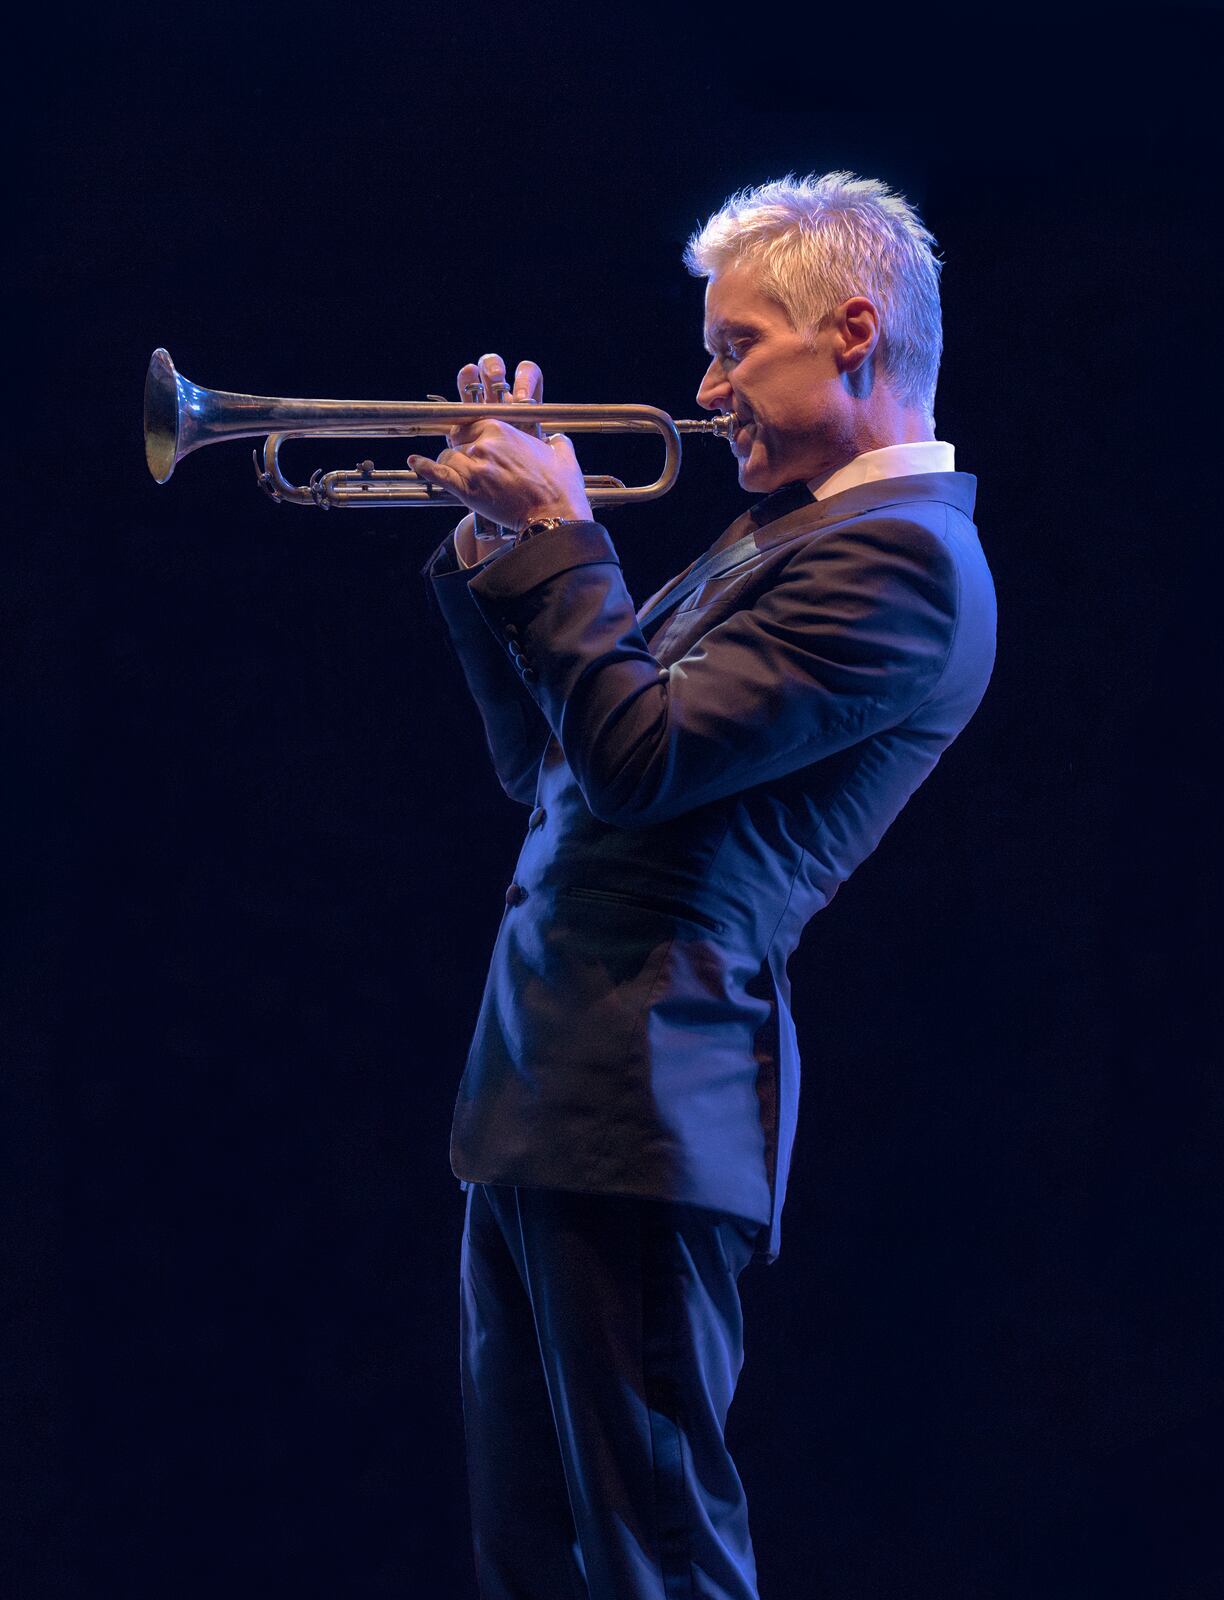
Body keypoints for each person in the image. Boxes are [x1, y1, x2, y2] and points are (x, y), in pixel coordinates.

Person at [410, 172, 997, 1600]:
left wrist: (563, 540)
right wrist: (504, 545)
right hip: (559, 1090)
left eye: (737, 346)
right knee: (538, 1559)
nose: (706, 382)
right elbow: (551, 760)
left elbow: (642, 757)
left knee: (655, 1561)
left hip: (648, 1097)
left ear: (853, 331)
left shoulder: (905, 567)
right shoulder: (789, 532)